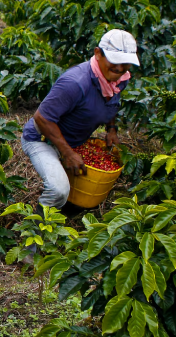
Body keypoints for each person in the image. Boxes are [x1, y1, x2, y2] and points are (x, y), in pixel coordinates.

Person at [21, 29, 139, 214]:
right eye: (114, 61)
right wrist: (67, 153)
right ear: (98, 54)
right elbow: (42, 119)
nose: (119, 68)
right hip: (42, 139)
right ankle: (33, 235)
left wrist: (112, 129)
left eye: (125, 63)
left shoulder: (119, 79)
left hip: (74, 141)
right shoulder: (74, 83)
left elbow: (111, 101)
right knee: (58, 190)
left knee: (85, 186)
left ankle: (64, 214)